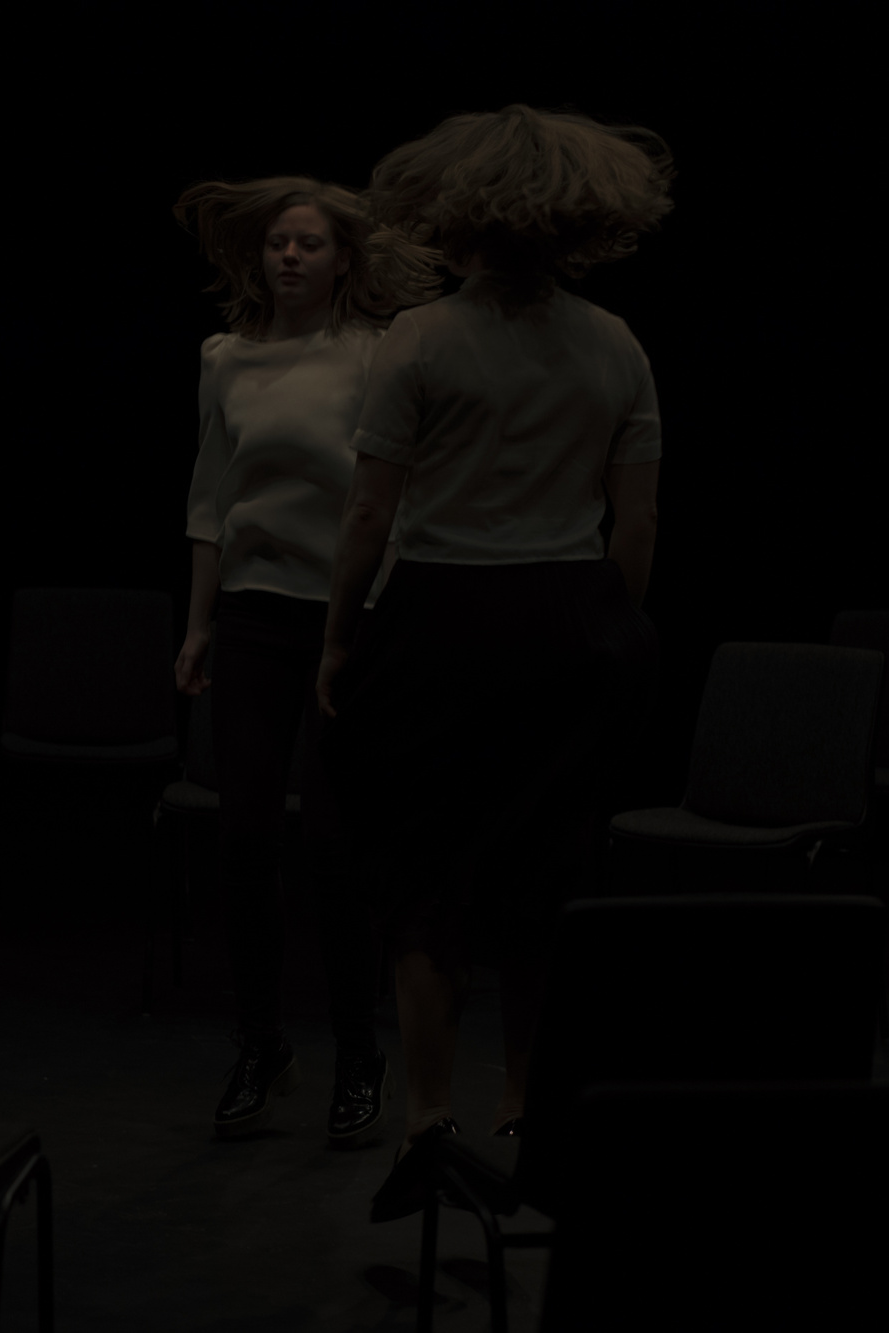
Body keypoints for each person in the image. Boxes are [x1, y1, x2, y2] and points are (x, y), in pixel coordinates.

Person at [310, 104, 674, 1219]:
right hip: (570, 622)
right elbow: (636, 525)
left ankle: (429, 1120)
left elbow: (367, 512)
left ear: (457, 212)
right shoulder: (614, 342)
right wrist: (602, 632)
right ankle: (528, 1106)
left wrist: (339, 635)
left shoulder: (419, 338)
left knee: (426, 876)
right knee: (545, 876)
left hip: (439, 620)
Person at [172, 176, 443, 1144]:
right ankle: (260, 1044)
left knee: (335, 846)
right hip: (250, 616)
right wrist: (197, 626)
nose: (288, 255)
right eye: (277, 242)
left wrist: (390, 617)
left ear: (341, 260)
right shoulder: (225, 359)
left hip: (346, 621)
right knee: (244, 837)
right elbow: (211, 500)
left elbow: (395, 498)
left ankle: (359, 1056)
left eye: (309, 243)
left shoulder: (375, 355)